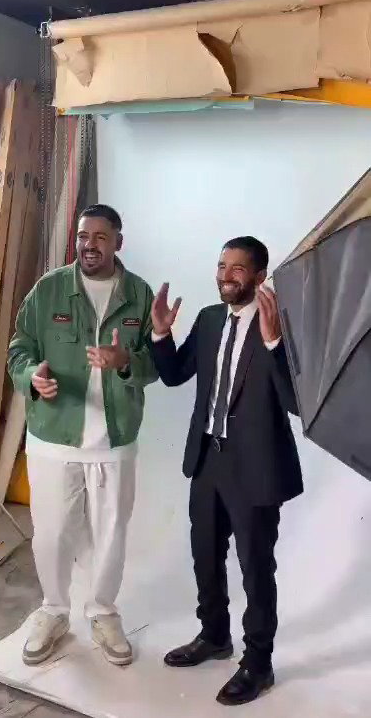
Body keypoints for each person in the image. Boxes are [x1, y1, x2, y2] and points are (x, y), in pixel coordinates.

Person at [150, 236, 303, 706]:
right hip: (208, 459)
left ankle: (258, 663)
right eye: (221, 266)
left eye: (237, 268)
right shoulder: (210, 318)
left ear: (259, 275)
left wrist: (274, 343)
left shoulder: (282, 323)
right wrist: (161, 335)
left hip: (256, 465)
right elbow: (174, 374)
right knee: (205, 554)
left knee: (256, 567)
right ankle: (214, 635)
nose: (225, 276)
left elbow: (297, 402)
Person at [8, 204, 157, 667]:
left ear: (118, 242)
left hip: (114, 440)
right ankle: (54, 611)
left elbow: (155, 364)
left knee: (111, 535)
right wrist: (31, 376)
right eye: (82, 236)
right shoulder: (48, 289)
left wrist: (125, 361)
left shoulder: (139, 294)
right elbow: (19, 348)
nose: (88, 245)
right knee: (52, 534)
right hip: (53, 436)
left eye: (100, 237)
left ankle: (103, 612)